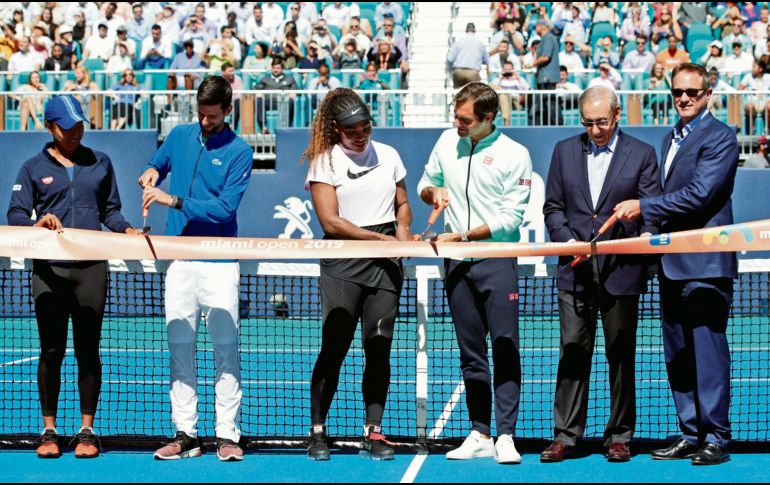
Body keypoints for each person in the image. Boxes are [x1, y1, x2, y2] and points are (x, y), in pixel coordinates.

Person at [614, 63, 739, 466]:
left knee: (708, 353)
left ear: (708, 94)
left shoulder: (721, 137)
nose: (684, 98)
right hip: (670, 266)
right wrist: (649, 230)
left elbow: (700, 195)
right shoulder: (669, 138)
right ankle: (690, 433)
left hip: (705, 266)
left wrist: (644, 207)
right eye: (677, 93)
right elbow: (666, 195)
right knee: (678, 354)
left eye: (692, 92)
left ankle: (716, 437)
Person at [7, 94, 144, 459]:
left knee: (88, 351)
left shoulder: (101, 162)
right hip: (48, 272)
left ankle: (87, 430)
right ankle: (48, 429)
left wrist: (126, 231)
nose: (75, 133)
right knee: (51, 350)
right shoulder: (32, 167)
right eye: (67, 128)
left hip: (92, 270)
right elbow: (16, 215)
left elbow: (111, 212)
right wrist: (37, 223)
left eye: (79, 126)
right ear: (50, 128)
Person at [540, 86, 661, 464]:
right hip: (574, 272)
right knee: (572, 352)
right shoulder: (563, 151)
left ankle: (619, 436)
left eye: (602, 122)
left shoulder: (642, 154)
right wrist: (568, 241)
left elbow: (653, 209)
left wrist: (641, 216)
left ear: (617, 115)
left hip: (621, 272)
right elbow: (553, 208)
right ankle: (565, 435)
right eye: (588, 122)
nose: (595, 130)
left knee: (620, 355)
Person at [416, 82, 532, 464]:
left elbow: (510, 218)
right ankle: (480, 431)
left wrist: (462, 234)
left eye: (465, 119)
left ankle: (506, 436)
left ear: (488, 118)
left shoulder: (516, 154)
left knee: (504, 345)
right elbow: (425, 183)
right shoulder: (447, 141)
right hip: (455, 265)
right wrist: (434, 194)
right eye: (456, 116)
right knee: (471, 353)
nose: (457, 124)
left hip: (496, 260)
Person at [139, 76, 253, 462]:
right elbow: (158, 163)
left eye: (212, 116)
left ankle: (227, 435)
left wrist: (172, 200)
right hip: (180, 262)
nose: (205, 121)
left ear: (227, 110)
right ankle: (186, 433)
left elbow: (224, 210)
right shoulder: (179, 135)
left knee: (225, 350)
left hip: (219, 262)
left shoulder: (240, 152)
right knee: (180, 349)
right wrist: (152, 171)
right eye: (201, 114)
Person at [302, 87, 412, 461]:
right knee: (334, 347)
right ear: (336, 129)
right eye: (352, 130)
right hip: (345, 260)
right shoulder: (324, 162)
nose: (361, 133)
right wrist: (376, 240)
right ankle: (318, 431)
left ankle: (374, 431)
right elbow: (331, 222)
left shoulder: (390, 155)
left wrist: (401, 232)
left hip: (386, 263)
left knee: (378, 348)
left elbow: (402, 203)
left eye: (365, 126)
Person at [254, 58, 299, 134]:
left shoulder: (289, 79)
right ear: (271, 68)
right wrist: (259, 94)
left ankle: (285, 129)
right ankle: (264, 128)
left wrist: (292, 94)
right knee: (259, 100)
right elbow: (256, 89)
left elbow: (295, 90)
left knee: (290, 101)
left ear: (282, 69)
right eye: (274, 68)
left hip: (283, 102)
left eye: (278, 68)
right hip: (269, 102)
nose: (276, 70)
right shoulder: (265, 79)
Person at [531, 19, 562, 125]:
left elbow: (545, 57)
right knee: (546, 104)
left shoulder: (548, 38)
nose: (535, 29)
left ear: (541, 26)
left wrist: (532, 64)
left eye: (535, 26)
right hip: (544, 76)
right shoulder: (546, 38)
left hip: (547, 77)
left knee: (550, 103)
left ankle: (558, 126)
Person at [447, 22, 488, 89]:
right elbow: (486, 61)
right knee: (474, 95)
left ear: (466, 30)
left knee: (458, 95)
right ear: (475, 31)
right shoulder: (480, 43)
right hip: (473, 72)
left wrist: (450, 69)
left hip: (459, 72)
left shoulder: (459, 41)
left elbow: (450, 58)